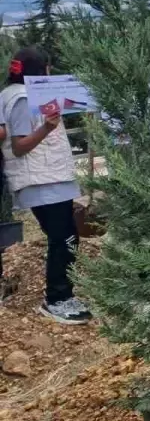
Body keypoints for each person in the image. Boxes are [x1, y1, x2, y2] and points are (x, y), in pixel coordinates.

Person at [0, 47, 89, 325]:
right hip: (40, 179)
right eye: (48, 68)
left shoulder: (23, 95)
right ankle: (57, 299)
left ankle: (62, 294)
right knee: (63, 238)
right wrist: (46, 129)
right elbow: (19, 146)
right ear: (40, 70)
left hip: (51, 176)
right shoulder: (23, 99)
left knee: (67, 236)